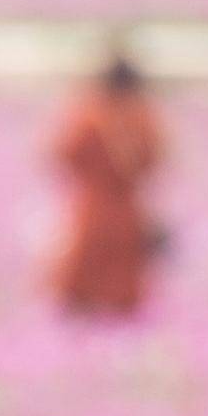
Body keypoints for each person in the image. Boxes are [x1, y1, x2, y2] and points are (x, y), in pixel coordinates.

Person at [47, 49, 164, 319]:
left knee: (85, 270)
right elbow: (153, 159)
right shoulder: (140, 117)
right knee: (121, 276)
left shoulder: (89, 115)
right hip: (125, 207)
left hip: (94, 205)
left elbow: (65, 154)